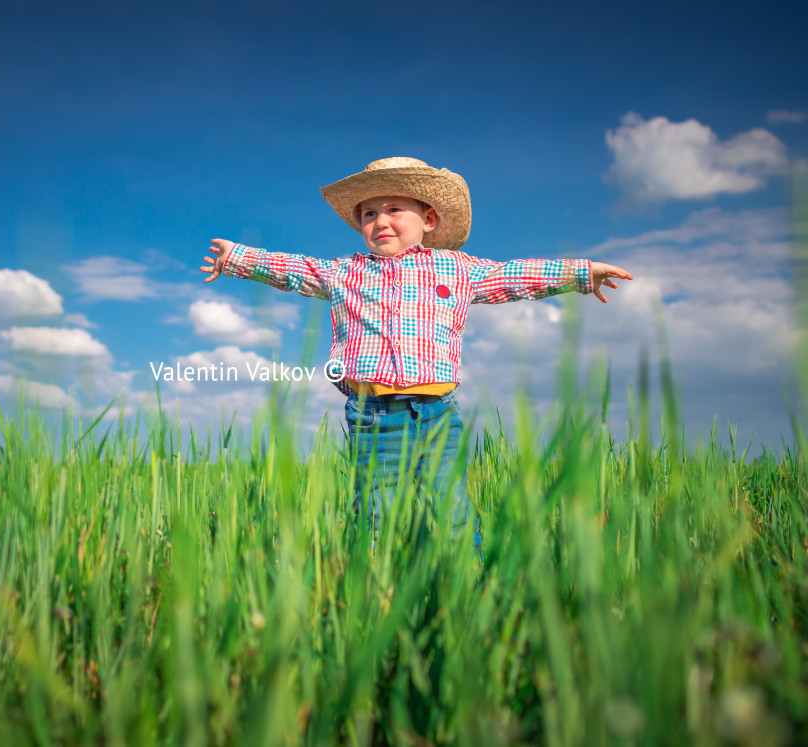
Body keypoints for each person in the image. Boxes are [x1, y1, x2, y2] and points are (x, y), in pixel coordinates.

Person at [199, 157, 632, 551]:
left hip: (438, 411)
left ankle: (471, 592)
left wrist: (580, 272)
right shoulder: (344, 272)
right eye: (369, 213)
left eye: (393, 210)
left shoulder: (458, 268)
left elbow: (512, 276)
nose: (380, 221)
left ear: (428, 219)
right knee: (376, 512)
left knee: (450, 509)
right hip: (373, 415)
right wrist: (237, 258)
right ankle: (375, 594)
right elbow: (292, 270)